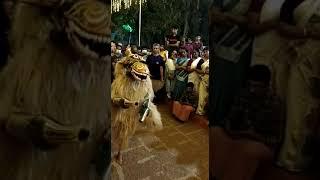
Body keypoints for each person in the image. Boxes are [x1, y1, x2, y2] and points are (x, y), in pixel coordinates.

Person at [212, 65, 285, 180]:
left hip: (260, 142)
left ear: (266, 85)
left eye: (257, 86)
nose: (252, 89)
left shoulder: (274, 103)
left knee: (245, 150)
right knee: (215, 132)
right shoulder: (243, 94)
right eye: (250, 85)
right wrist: (229, 127)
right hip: (239, 135)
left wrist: (252, 135)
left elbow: (275, 139)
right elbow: (229, 118)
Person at [274, 0, 320, 173]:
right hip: (299, 59)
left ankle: (306, 160)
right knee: (296, 110)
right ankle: (291, 159)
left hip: (316, 62)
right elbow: (282, 26)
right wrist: (307, 32)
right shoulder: (293, 2)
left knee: (312, 113)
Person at [210, 0, 265, 127]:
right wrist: (233, 18)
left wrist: (229, 16)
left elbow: (250, 23)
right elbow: (214, 14)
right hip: (216, 46)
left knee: (230, 95)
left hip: (239, 52)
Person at [196, 48, 209, 115]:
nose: (206, 53)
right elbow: (197, 69)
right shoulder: (201, 60)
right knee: (202, 96)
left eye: (207, 51)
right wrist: (204, 71)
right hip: (203, 80)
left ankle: (206, 111)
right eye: (205, 52)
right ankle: (200, 110)